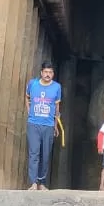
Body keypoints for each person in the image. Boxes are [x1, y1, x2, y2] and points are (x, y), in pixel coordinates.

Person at [24, 59, 61, 191]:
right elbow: (27, 97)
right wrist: (29, 112)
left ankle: (42, 182)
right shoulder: (32, 84)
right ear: (41, 72)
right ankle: (33, 182)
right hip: (33, 124)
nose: (47, 74)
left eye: (50, 72)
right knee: (34, 153)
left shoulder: (57, 87)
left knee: (45, 155)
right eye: (45, 72)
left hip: (49, 125)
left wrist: (56, 124)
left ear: (53, 74)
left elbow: (57, 107)